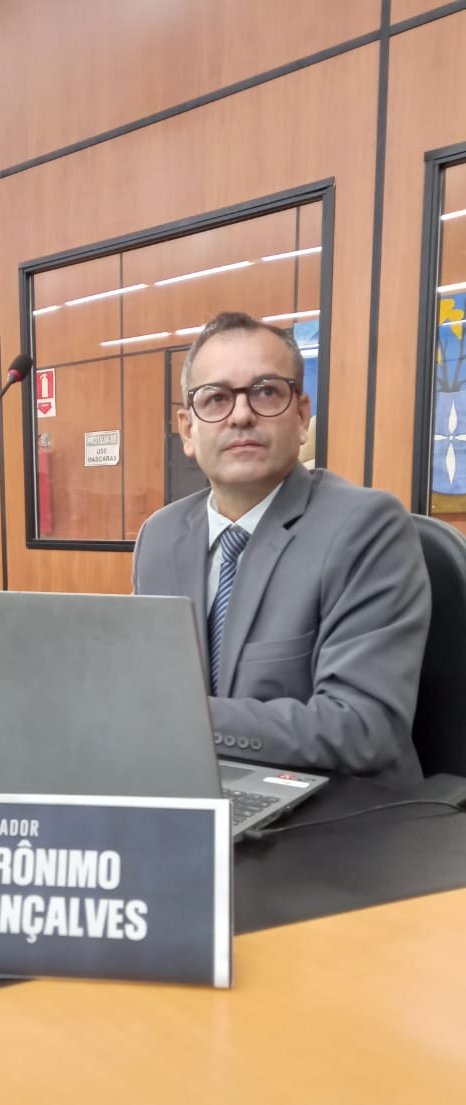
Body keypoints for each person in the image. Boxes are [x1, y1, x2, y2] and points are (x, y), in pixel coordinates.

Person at [132, 311, 431, 787]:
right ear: (188, 430)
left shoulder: (366, 527)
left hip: (337, 812)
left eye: (266, 392)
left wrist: (176, 717)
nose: (241, 415)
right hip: (192, 792)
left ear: (302, 416)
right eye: (217, 398)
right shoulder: (160, 536)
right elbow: (143, 687)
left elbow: (362, 727)